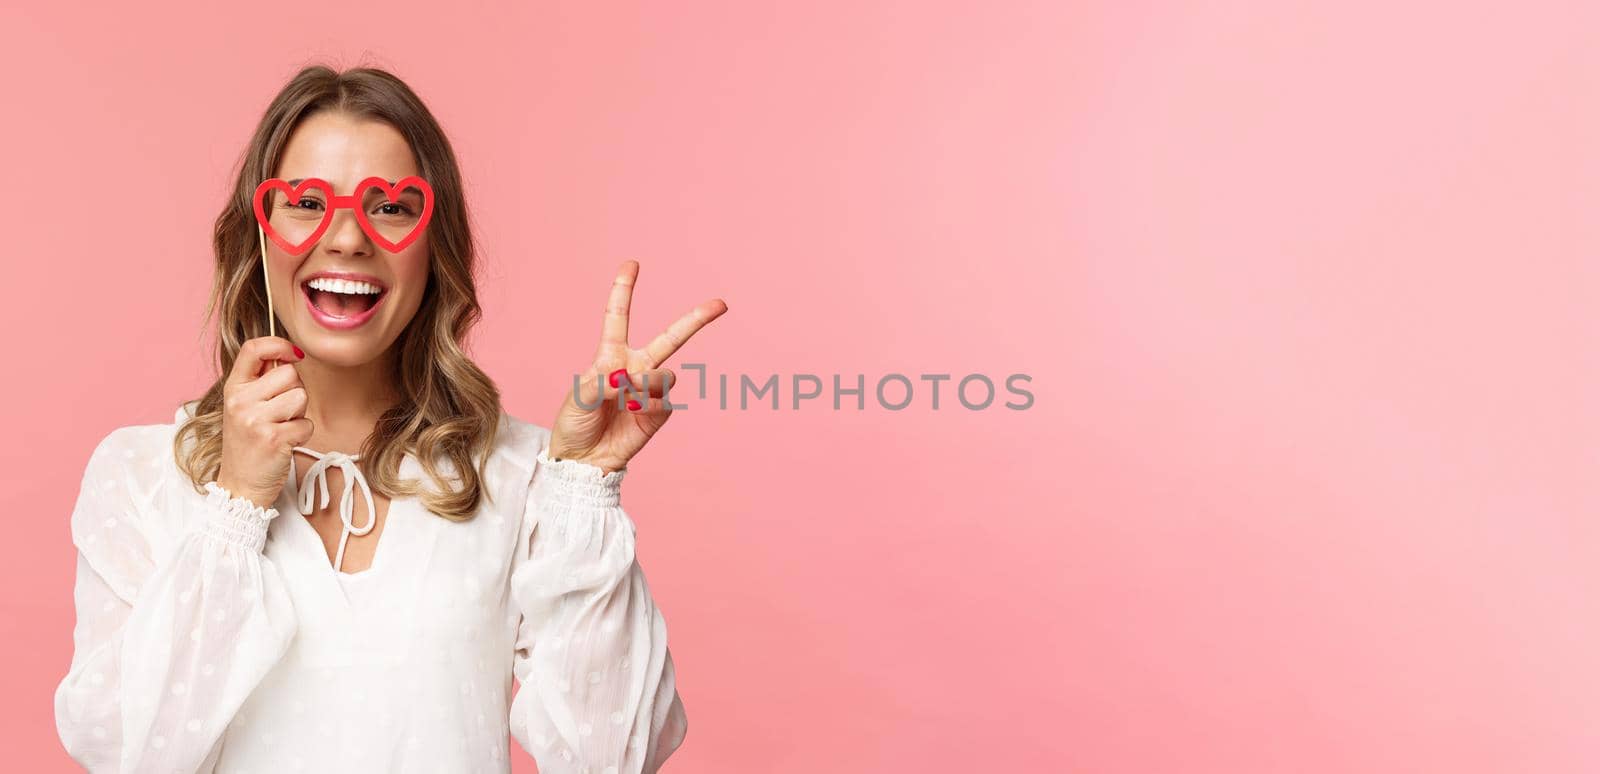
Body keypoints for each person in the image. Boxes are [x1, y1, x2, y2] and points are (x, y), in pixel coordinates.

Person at [51, 64, 724, 773]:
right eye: (307, 201)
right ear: (260, 233)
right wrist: (238, 502)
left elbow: (612, 757)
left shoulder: (524, 477)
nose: (347, 238)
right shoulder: (141, 475)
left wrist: (584, 486)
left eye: (393, 207)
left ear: (437, 250)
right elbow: (124, 753)